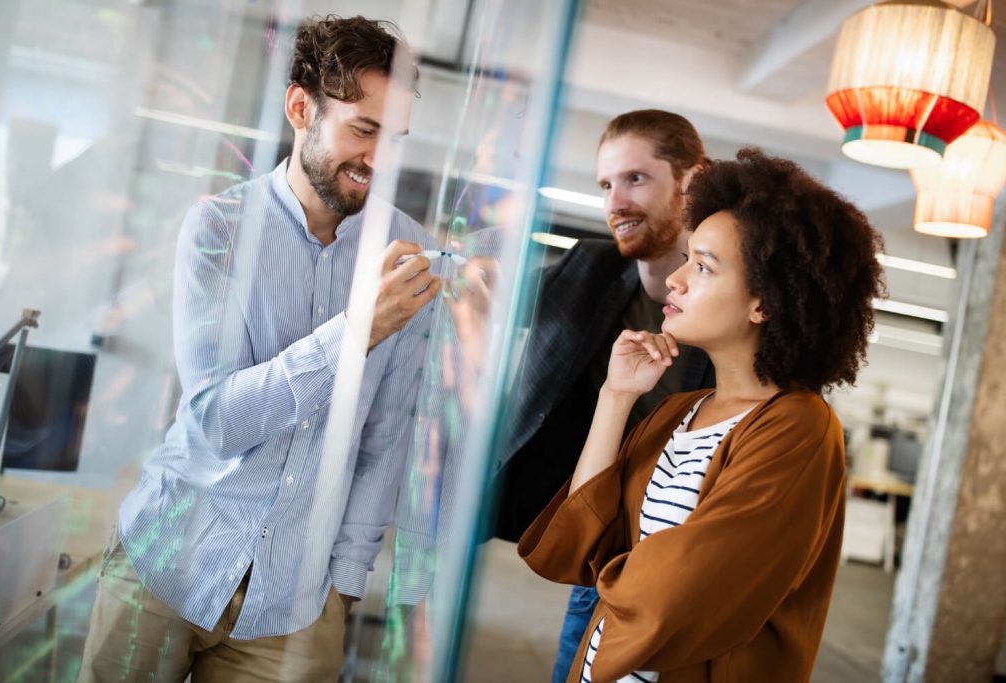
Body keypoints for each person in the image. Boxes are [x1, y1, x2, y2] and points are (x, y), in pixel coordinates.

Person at [79, 15, 440, 682]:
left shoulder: (404, 252)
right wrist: (357, 330)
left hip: (295, 604)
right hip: (167, 562)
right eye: (364, 129)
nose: (380, 159)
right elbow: (219, 419)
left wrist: (346, 583)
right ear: (301, 107)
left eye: (397, 138)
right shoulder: (218, 227)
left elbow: (386, 438)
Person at [519, 148, 885, 682]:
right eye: (688, 258)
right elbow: (584, 543)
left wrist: (616, 578)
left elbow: (680, 597)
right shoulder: (677, 411)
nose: (677, 279)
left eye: (704, 266)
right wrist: (615, 396)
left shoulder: (799, 428)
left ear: (765, 302)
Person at [489, 110, 715, 682]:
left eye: (636, 178)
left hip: (690, 555)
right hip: (606, 549)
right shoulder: (586, 269)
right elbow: (494, 291)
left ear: (693, 179)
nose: (616, 201)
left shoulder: (732, 298)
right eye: (606, 184)